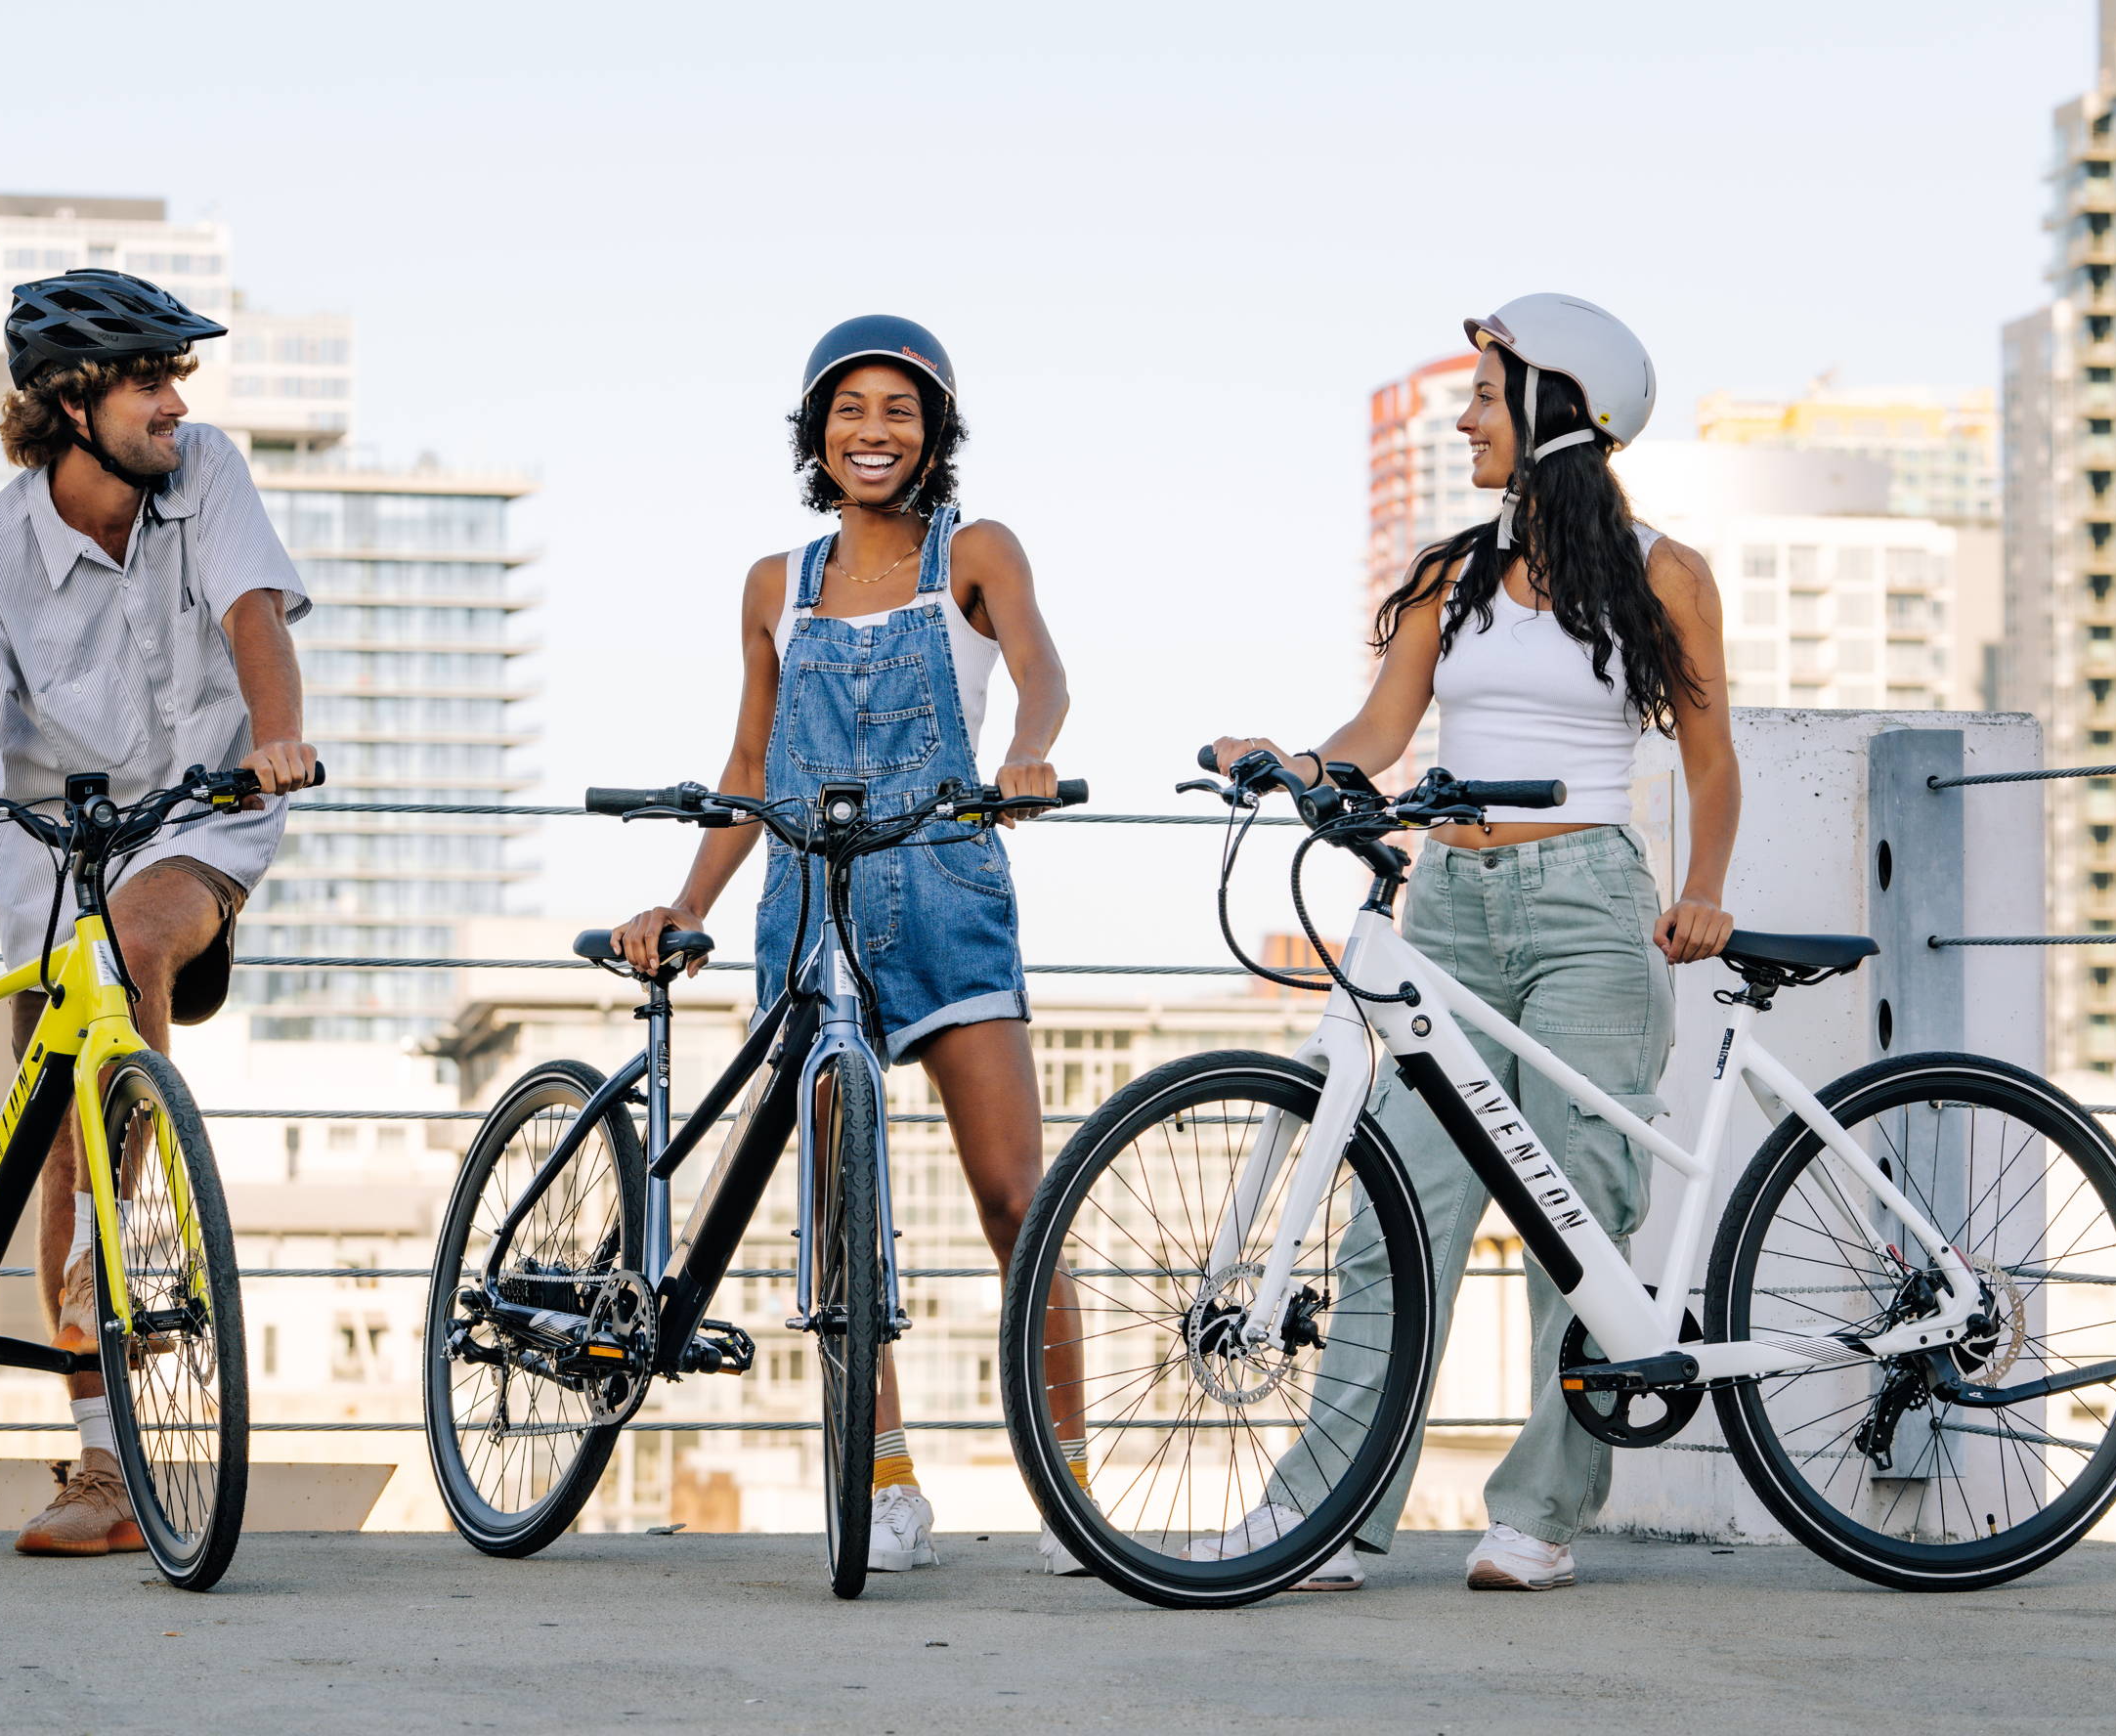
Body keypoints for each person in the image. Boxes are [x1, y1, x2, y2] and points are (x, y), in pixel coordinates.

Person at [1204, 292, 1738, 1593]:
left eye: (1487, 397)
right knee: (1400, 1209)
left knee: (1580, 1211)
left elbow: (1713, 765)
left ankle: (1541, 1514)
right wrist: (1293, 760)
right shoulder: (1453, 574)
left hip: (1587, 909)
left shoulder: (1668, 574)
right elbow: (1382, 734)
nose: (1463, 418)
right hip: (1450, 903)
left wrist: (1704, 888)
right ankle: (1325, 1512)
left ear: (1561, 408)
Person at [610, 315, 1087, 1576]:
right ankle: (884, 1478)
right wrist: (690, 900)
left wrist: (1026, 755)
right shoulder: (776, 581)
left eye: (900, 410)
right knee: (841, 1215)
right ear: (816, 433)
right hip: (804, 903)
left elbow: (1042, 672)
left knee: (1013, 1203)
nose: (874, 431)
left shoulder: (974, 551)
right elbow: (751, 763)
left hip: (944, 887)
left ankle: (1073, 1486)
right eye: (850, 410)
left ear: (934, 432)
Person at [0, 269, 321, 1557]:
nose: (176, 402)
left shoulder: (207, 475)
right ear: (74, 405)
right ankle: (101, 1469)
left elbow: (253, 614)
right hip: (50, 868)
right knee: (56, 1147)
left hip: (207, 813)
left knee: (135, 952)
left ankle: (147, 1219)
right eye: (149, 380)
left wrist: (282, 736)